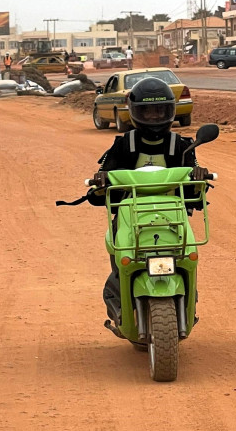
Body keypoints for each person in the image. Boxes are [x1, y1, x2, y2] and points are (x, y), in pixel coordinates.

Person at [86, 77, 209, 323]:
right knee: (121, 256)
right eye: (147, 111)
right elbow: (104, 179)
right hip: (129, 217)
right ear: (134, 112)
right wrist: (100, 181)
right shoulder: (123, 145)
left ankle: (188, 300)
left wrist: (199, 177)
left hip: (171, 217)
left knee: (187, 257)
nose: (153, 117)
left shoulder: (182, 145)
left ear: (170, 111)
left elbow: (194, 193)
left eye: (159, 111)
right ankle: (120, 296)